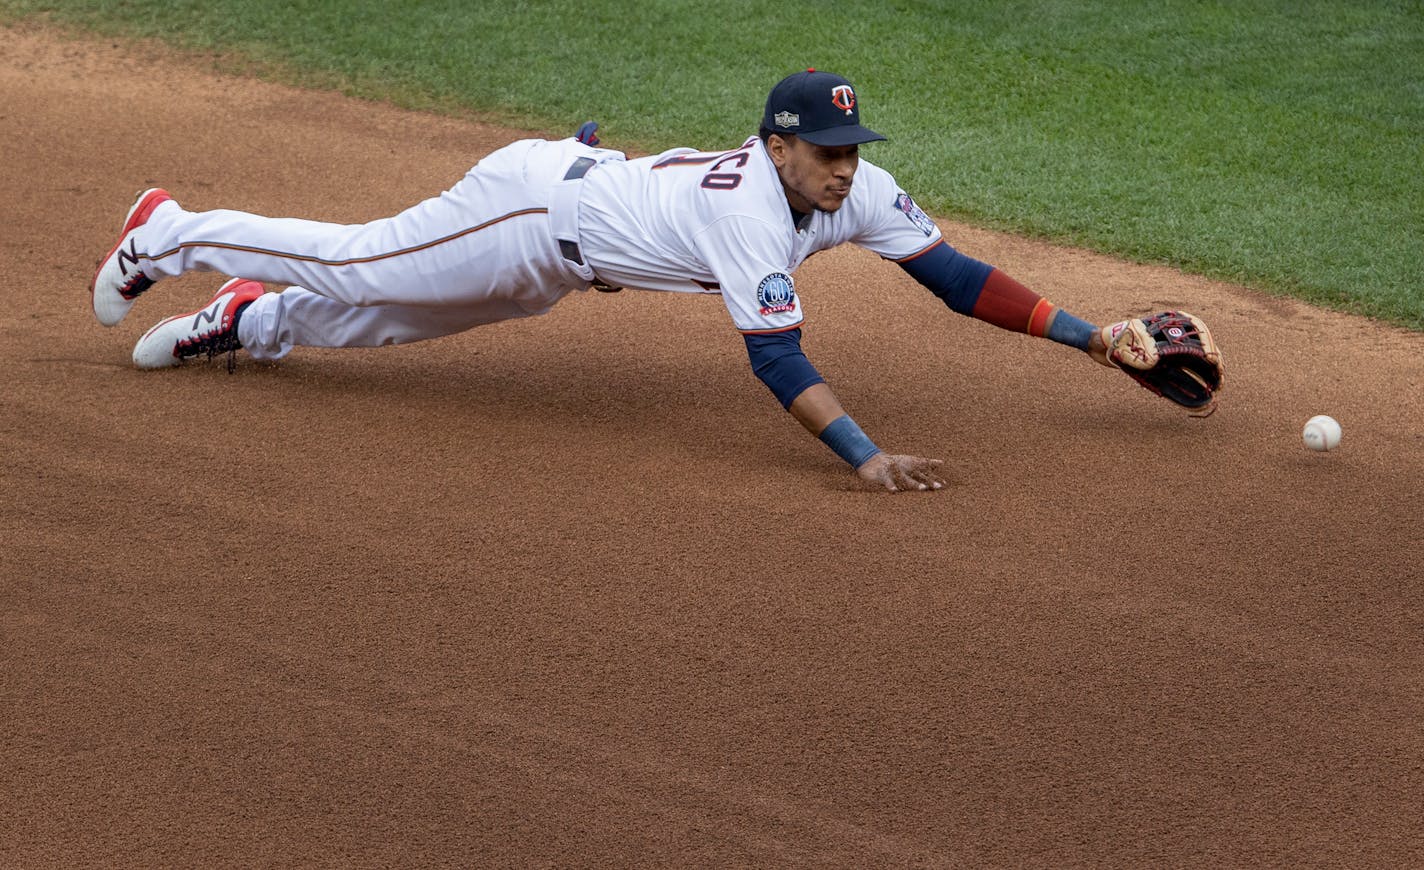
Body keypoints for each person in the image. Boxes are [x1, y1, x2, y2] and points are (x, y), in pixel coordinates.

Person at [90, 69, 1120, 493]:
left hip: (564, 254)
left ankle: (251, 321)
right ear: (776, 148)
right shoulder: (751, 210)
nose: (845, 168)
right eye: (826, 153)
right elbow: (773, 356)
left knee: (394, 321)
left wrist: (1089, 337)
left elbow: (951, 276)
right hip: (530, 207)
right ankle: (169, 232)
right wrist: (862, 456)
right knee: (361, 260)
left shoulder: (856, 190)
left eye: (853, 149)